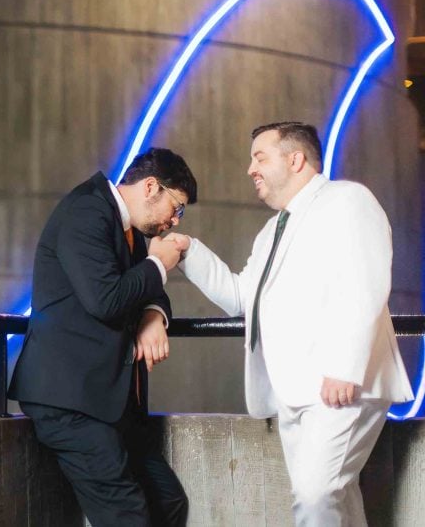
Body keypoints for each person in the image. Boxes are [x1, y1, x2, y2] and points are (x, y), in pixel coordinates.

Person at [167, 121, 412, 526]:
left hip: (339, 385)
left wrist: (343, 368)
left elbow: (364, 283)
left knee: (315, 496)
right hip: (295, 393)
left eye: (259, 157)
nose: (250, 169)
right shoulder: (271, 230)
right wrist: (190, 251)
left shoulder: (347, 199)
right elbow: (243, 298)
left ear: (295, 159)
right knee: (334, 498)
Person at [8, 147, 197, 526]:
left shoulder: (129, 228)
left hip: (107, 401)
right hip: (69, 401)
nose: (174, 221)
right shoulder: (86, 212)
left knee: (169, 501)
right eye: (176, 207)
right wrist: (160, 263)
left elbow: (145, 289)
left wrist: (153, 314)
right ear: (150, 187)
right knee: (126, 515)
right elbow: (107, 300)